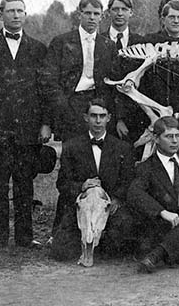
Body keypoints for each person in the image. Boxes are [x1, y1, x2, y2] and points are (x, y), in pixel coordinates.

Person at [0, 0, 51, 250]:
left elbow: (45, 90)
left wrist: (45, 124)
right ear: (1, 14)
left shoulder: (38, 49)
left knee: (24, 184)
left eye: (20, 11)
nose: (16, 15)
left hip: (28, 131)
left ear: (26, 15)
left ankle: (25, 237)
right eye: (11, 11)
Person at [51, 98, 137, 261]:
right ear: (86, 118)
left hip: (110, 206)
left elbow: (128, 180)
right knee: (60, 251)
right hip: (83, 206)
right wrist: (81, 187)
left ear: (109, 118)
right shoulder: (72, 146)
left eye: (102, 116)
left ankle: (101, 243)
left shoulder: (122, 147)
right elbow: (62, 183)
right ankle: (86, 241)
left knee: (120, 244)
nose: (98, 121)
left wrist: (116, 199)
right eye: (93, 116)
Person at [128, 116, 179, 273]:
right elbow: (134, 192)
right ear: (156, 139)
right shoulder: (146, 167)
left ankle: (157, 255)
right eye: (169, 137)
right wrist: (162, 212)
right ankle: (167, 252)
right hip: (165, 226)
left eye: (177, 136)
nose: (175, 141)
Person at [41, 0, 115, 143]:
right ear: (79, 14)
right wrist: (63, 107)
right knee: (72, 154)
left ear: (101, 16)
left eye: (96, 14)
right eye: (88, 13)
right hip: (71, 105)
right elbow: (49, 80)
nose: (92, 18)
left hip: (98, 105)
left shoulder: (108, 45)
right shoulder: (61, 42)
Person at [102, 0, 147, 146]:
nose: (120, 13)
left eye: (124, 9)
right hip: (106, 115)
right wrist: (115, 118)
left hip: (136, 116)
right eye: (115, 9)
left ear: (131, 12)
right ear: (108, 12)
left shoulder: (141, 43)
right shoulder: (99, 42)